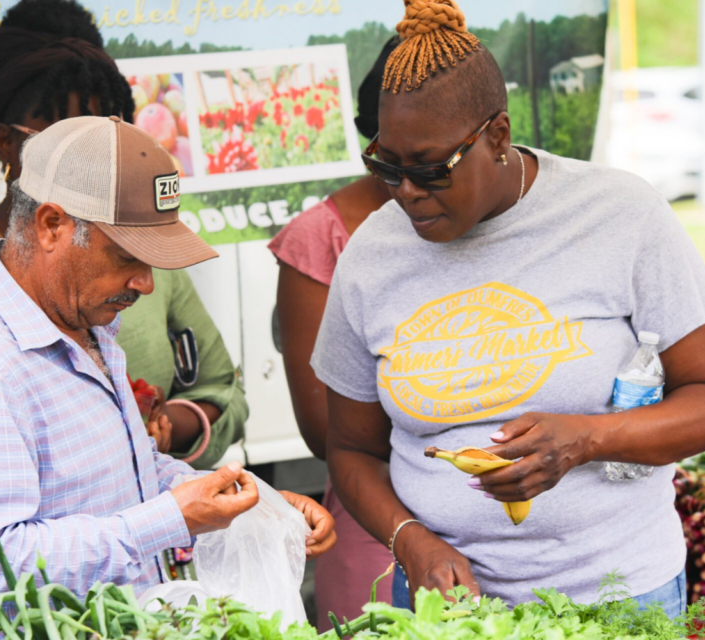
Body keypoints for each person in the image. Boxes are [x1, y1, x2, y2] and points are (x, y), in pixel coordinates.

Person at [311, 0, 705, 615]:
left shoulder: (618, 215)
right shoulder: (371, 255)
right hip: (448, 610)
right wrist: (410, 541)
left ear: (497, 136)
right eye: (388, 166)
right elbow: (351, 450)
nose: (406, 192)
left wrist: (588, 439)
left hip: (619, 599)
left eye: (432, 169)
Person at [0, 115, 336, 638]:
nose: (146, 283)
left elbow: (120, 474)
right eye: (127, 256)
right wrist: (170, 519)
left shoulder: (82, 323)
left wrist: (243, 500)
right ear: (51, 225)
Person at [0, 0, 248, 521]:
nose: (139, 282)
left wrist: (164, 433)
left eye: (100, 137)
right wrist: (117, 493)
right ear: (7, 143)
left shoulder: (138, 263)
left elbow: (224, 392)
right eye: (63, 140)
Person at [269, 36, 398, 630]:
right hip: (377, 528)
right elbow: (324, 428)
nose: (418, 185)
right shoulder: (321, 240)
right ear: (367, 135)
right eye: (394, 157)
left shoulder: (494, 223)